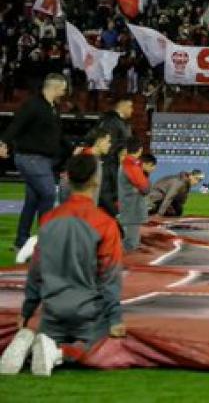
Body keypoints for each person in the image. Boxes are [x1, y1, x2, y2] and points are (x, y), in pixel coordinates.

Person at [0, 153, 124, 377]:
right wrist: (115, 319)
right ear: (95, 181)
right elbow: (109, 275)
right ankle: (58, 355)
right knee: (91, 341)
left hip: (52, 309)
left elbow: (35, 272)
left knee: (47, 337)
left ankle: (28, 345)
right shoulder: (105, 223)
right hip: (87, 311)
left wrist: (27, 312)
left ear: (68, 179)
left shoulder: (48, 219)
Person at [1, 74, 68, 252]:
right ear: (54, 88)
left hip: (44, 160)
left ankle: (21, 241)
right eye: (62, 88)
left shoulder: (54, 107)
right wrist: (3, 143)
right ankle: (45, 240)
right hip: (30, 158)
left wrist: (71, 149)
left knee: (33, 200)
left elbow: (58, 135)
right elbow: (16, 125)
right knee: (48, 194)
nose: (64, 92)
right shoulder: (33, 105)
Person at [117, 137, 152, 252]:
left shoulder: (127, 164)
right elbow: (145, 188)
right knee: (130, 244)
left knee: (129, 242)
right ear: (140, 150)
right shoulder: (131, 165)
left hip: (128, 208)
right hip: (132, 209)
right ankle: (122, 268)